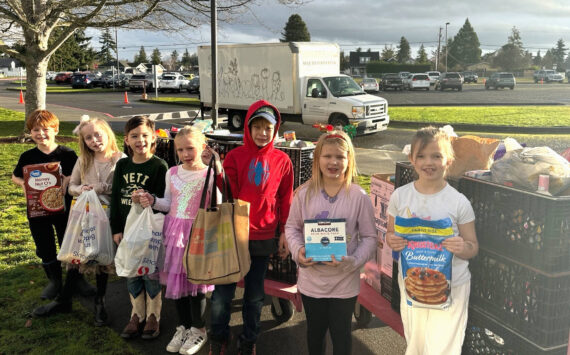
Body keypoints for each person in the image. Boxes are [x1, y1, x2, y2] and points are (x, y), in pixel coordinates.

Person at [209, 100, 294, 355]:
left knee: (255, 296)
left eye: (268, 127)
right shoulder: (235, 155)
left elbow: (285, 199)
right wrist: (217, 169)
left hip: (263, 234)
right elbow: (228, 191)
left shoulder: (282, 160)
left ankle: (249, 339)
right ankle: (219, 337)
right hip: (234, 233)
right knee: (222, 294)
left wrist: (284, 231)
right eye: (256, 127)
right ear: (247, 128)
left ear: (275, 129)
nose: (262, 133)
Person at [386, 126, 478, 355]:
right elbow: (390, 235)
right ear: (412, 160)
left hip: (451, 287)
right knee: (415, 345)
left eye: (437, 156)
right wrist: (392, 240)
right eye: (422, 156)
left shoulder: (458, 202)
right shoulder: (400, 196)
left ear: (448, 160)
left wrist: (461, 247)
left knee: (442, 348)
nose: (429, 162)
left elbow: (472, 247)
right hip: (412, 285)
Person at [285, 130, 376, 355]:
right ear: (317, 159)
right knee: (315, 334)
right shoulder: (304, 194)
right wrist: (298, 251)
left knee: (341, 334)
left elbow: (370, 237)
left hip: (344, 282)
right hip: (312, 282)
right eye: (327, 156)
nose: (333, 162)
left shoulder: (358, 196)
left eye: (340, 157)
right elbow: (292, 228)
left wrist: (353, 261)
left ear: (349, 160)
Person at [33, 116, 127, 320]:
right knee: (77, 256)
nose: (94, 140)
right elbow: (72, 185)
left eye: (97, 135)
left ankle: (100, 301)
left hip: (107, 217)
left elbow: (122, 189)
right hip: (83, 216)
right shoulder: (84, 160)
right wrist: (80, 189)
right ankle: (64, 299)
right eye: (88, 138)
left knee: (102, 257)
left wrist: (102, 188)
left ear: (108, 134)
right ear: (84, 141)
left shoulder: (120, 159)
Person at [138, 126, 219, 354]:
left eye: (190, 148)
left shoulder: (209, 174)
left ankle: (199, 329)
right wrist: (152, 200)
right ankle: (183, 326)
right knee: (177, 282)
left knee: (196, 284)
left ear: (203, 147)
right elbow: (168, 203)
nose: (185, 154)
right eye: (180, 149)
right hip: (174, 234)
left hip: (199, 233)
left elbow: (217, 205)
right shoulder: (172, 172)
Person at [12, 110, 96, 308]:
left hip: (66, 210)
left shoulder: (67, 154)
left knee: (71, 244)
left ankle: (77, 280)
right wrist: (24, 184)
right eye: (36, 130)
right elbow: (15, 176)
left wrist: (67, 180)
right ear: (30, 133)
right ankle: (55, 281)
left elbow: (79, 175)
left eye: (46, 129)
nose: (41, 134)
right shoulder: (28, 156)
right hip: (38, 210)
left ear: (55, 130)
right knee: (44, 245)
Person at [110, 115, 168, 340]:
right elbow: (116, 198)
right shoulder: (123, 165)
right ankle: (137, 314)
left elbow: (162, 203)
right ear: (126, 139)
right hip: (126, 231)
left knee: (150, 273)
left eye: (145, 136)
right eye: (134, 136)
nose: (140, 140)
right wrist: (116, 228)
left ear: (153, 138)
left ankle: (154, 315)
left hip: (148, 232)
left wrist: (147, 199)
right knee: (132, 272)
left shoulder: (159, 166)